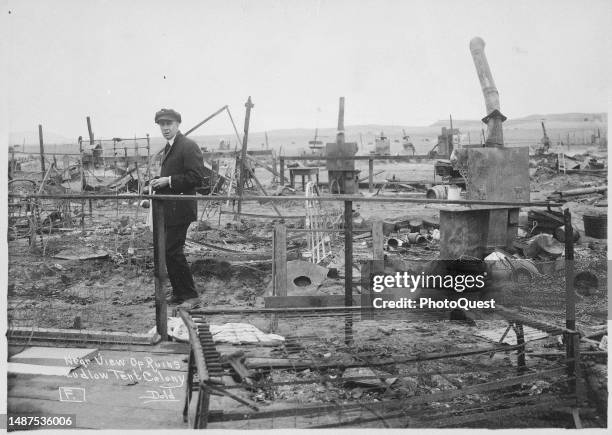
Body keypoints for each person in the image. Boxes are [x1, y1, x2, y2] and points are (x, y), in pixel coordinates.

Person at [150, 108, 205, 306]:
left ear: (178, 125)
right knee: (168, 252)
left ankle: (190, 296)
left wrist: (169, 180)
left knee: (173, 251)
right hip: (169, 209)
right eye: (162, 125)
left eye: (169, 124)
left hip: (181, 209)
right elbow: (172, 175)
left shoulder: (188, 146)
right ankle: (180, 293)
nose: (165, 128)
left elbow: (196, 177)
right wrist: (159, 181)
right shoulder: (170, 146)